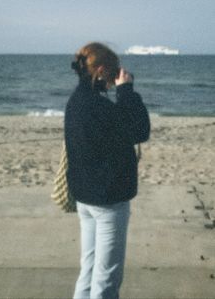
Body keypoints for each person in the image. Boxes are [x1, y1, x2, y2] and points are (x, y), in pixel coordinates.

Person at [64, 42, 150, 299]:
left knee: (88, 271)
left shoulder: (76, 102)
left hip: (85, 196)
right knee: (107, 279)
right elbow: (140, 130)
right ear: (100, 70)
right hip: (108, 199)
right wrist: (127, 91)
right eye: (113, 73)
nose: (115, 79)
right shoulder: (99, 107)